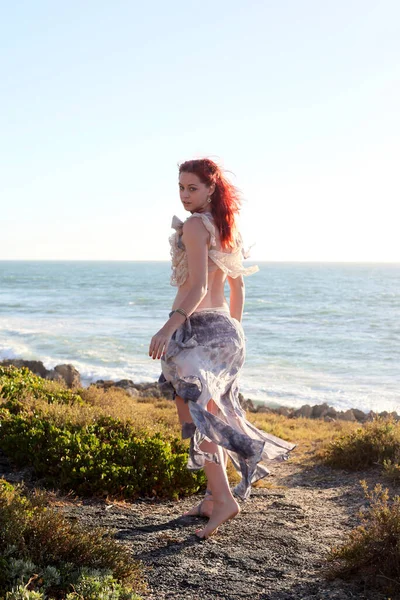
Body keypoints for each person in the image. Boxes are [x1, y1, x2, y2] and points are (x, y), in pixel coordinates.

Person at [149, 158, 296, 540]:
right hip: (227, 331)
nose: (184, 195)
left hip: (199, 328)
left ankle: (224, 498)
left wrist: (169, 327)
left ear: (211, 188)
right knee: (206, 415)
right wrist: (232, 333)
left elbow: (197, 287)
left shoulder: (197, 226)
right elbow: (238, 289)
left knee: (196, 417)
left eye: (192, 188)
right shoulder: (226, 227)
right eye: (180, 188)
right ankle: (216, 498)